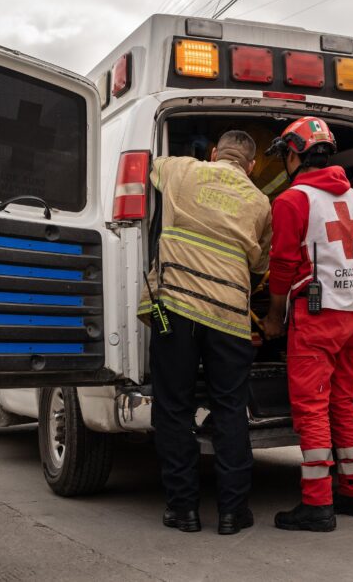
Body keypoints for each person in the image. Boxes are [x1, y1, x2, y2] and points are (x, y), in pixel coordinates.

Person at [139, 130, 272, 536]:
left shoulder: (183, 169)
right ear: (251, 166)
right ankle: (233, 512)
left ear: (215, 153)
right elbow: (261, 265)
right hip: (229, 317)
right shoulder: (260, 201)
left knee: (173, 408)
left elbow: (147, 167)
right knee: (230, 409)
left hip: (173, 312)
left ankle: (184, 510)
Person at [262, 116, 353, 533]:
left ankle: (318, 505)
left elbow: (283, 263)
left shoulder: (293, 200)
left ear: (295, 154)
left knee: (311, 409)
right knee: (341, 403)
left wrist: (275, 315)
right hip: (352, 313)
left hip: (315, 318)